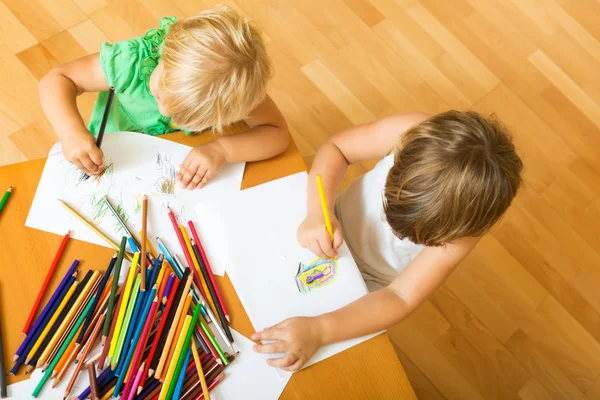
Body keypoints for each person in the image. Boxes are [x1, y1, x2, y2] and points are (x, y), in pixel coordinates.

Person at [252, 111, 523, 371]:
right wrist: (317, 211)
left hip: (370, 286)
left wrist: (320, 331)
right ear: (403, 154)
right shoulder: (411, 131)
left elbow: (400, 297)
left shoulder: (467, 227)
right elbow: (336, 148)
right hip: (328, 217)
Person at [39, 6, 289, 190]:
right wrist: (71, 133)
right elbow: (58, 79)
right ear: (166, 50)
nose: (167, 114)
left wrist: (222, 150)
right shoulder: (132, 62)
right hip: (104, 150)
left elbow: (276, 133)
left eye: (187, 117)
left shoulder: (232, 90)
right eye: (158, 94)